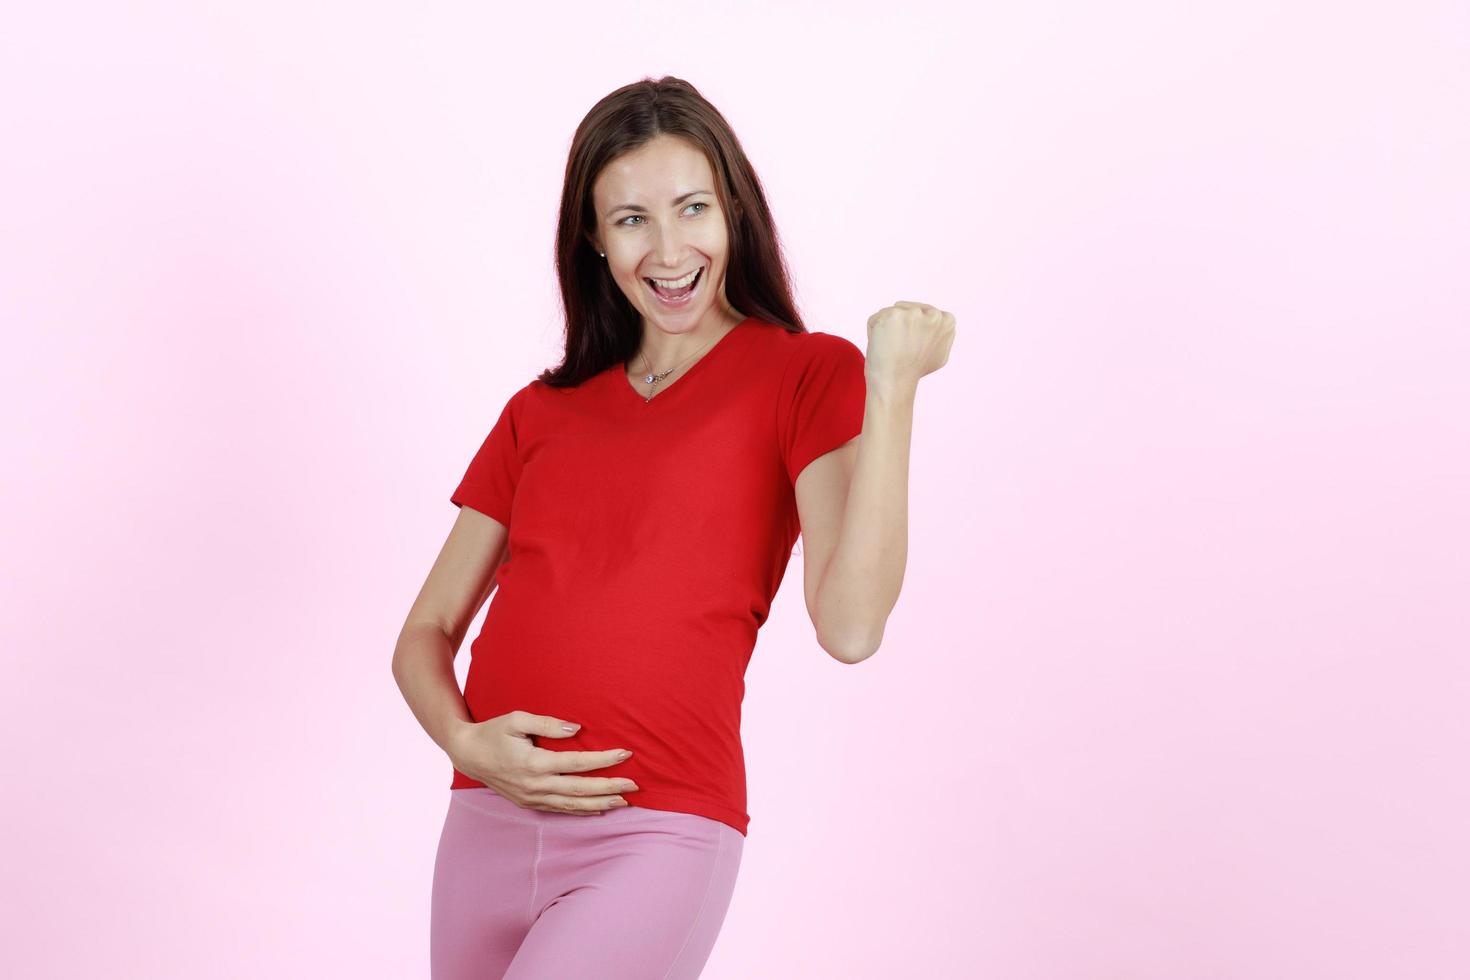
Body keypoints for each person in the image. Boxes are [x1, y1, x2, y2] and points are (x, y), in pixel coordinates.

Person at [392, 76, 955, 980]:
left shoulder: (804, 375)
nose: (667, 250)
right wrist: (465, 744)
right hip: (482, 826)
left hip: (655, 833)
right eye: (630, 220)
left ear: (732, 210)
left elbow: (850, 628)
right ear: (592, 237)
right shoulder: (541, 410)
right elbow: (423, 633)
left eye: (692, 208)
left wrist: (891, 393)